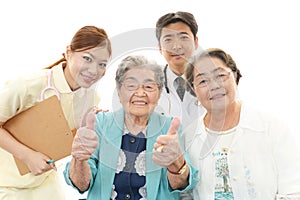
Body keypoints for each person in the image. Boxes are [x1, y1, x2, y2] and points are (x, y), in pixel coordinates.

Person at [64, 55, 198, 199]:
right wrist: (79, 159)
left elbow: (181, 184)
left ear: (159, 93)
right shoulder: (100, 125)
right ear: (119, 92)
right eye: (131, 86)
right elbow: (81, 184)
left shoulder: (170, 129)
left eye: (148, 86)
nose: (140, 93)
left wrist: (176, 164)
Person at [0, 25, 112, 199]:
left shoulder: (91, 98)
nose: (94, 70)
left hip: (43, 181)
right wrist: (28, 156)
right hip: (5, 182)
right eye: (87, 59)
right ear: (68, 52)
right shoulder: (30, 84)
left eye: (102, 64)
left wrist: (94, 125)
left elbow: (64, 137)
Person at [183, 48, 300, 199]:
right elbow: (186, 194)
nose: (214, 86)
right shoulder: (188, 138)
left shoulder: (271, 127)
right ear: (193, 90)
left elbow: (294, 190)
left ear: (235, 76)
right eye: (203, 81)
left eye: (220, 76)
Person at [155, 11, 205, 129]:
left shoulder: (214, 82)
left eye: (183, 37)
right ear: (159, 48)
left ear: (196, 42)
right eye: (168, 39)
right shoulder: (149, 85)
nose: (176, 46)